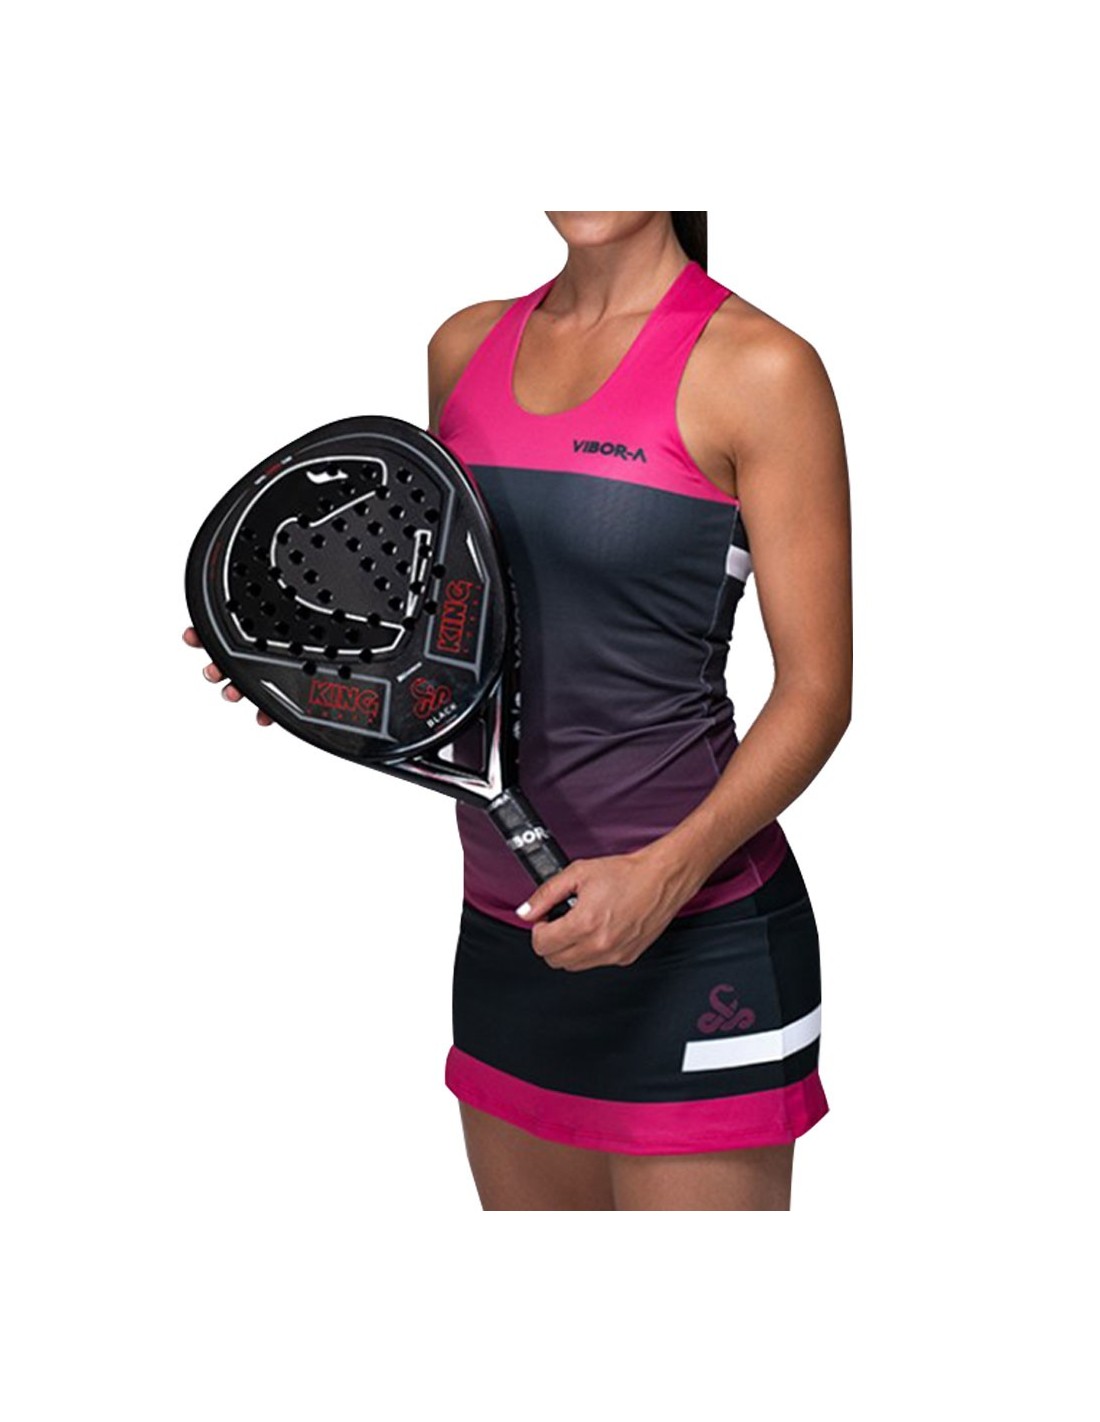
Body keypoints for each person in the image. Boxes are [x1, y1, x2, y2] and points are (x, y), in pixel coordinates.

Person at [184, 210, 852, 1211]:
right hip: (510, 934)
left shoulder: (760, 368)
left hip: (698, 935)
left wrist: (662, 877)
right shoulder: (463, 347)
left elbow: (816, 694)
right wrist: (311, 669)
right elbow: (441, 624)